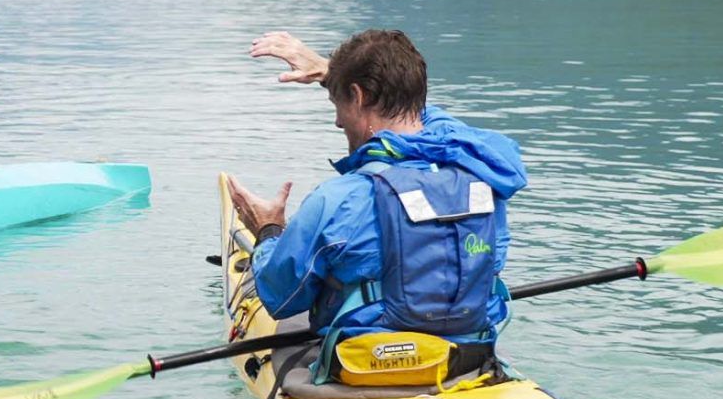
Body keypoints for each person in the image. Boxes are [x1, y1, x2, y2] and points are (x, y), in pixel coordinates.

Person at [225, 28, 526, 373]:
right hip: (468, 361)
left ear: (357, 96)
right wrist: (334, 75)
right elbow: (440, 126)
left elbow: (281, 297)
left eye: (338, 106)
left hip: (368, 369)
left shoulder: (336, 199)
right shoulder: (486, 176)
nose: (338, 121)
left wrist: (269, 230)